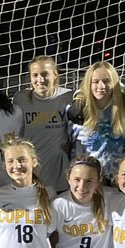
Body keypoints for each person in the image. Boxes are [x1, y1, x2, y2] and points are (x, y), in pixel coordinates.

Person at [66, 60, 125, 181]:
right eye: (95, 82)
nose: (101, 86)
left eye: (107, 81)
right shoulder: (76, 110)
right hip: (86, 179)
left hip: (118, 179)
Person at [16, 55, 73, 193]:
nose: (40, 80)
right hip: (32, 169)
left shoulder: (69, 97)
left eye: (45, 74)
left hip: (59, 169)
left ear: (55, 74)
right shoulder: (20, 99)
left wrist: (73, 144)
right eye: (35, 75)